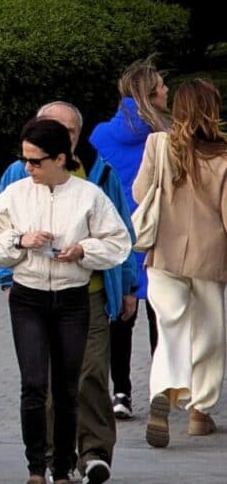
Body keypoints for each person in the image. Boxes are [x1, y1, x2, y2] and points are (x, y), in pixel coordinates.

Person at [0, 100, 137, 484]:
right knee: (37, 385)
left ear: (61, 154)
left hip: (79, 294)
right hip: (30, 295)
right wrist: (21, 242)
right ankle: (39, 466)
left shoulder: (91, 189)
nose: (29, 166)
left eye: (36, 160)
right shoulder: (16, 187)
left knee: (80, 380)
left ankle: (83, 460)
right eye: (26, 158)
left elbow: (121, 240)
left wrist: (85, 252)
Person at [132, 76, 227, 451]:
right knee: (209, 332)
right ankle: (199, 411)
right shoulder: (222, 155)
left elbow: (140, 193)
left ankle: (163, 391)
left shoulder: (157, 144)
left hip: (164, 252)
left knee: (170, 326)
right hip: (210, 253)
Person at [90, 58, 170, 417]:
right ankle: (160, 389)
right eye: (163, 87)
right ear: (151, 95)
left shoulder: (100, 135)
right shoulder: (165, 136)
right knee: (161, 315)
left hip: (116, 233)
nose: (168, 90)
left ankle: (120, 393)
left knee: (121, 315)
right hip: (158, 232)